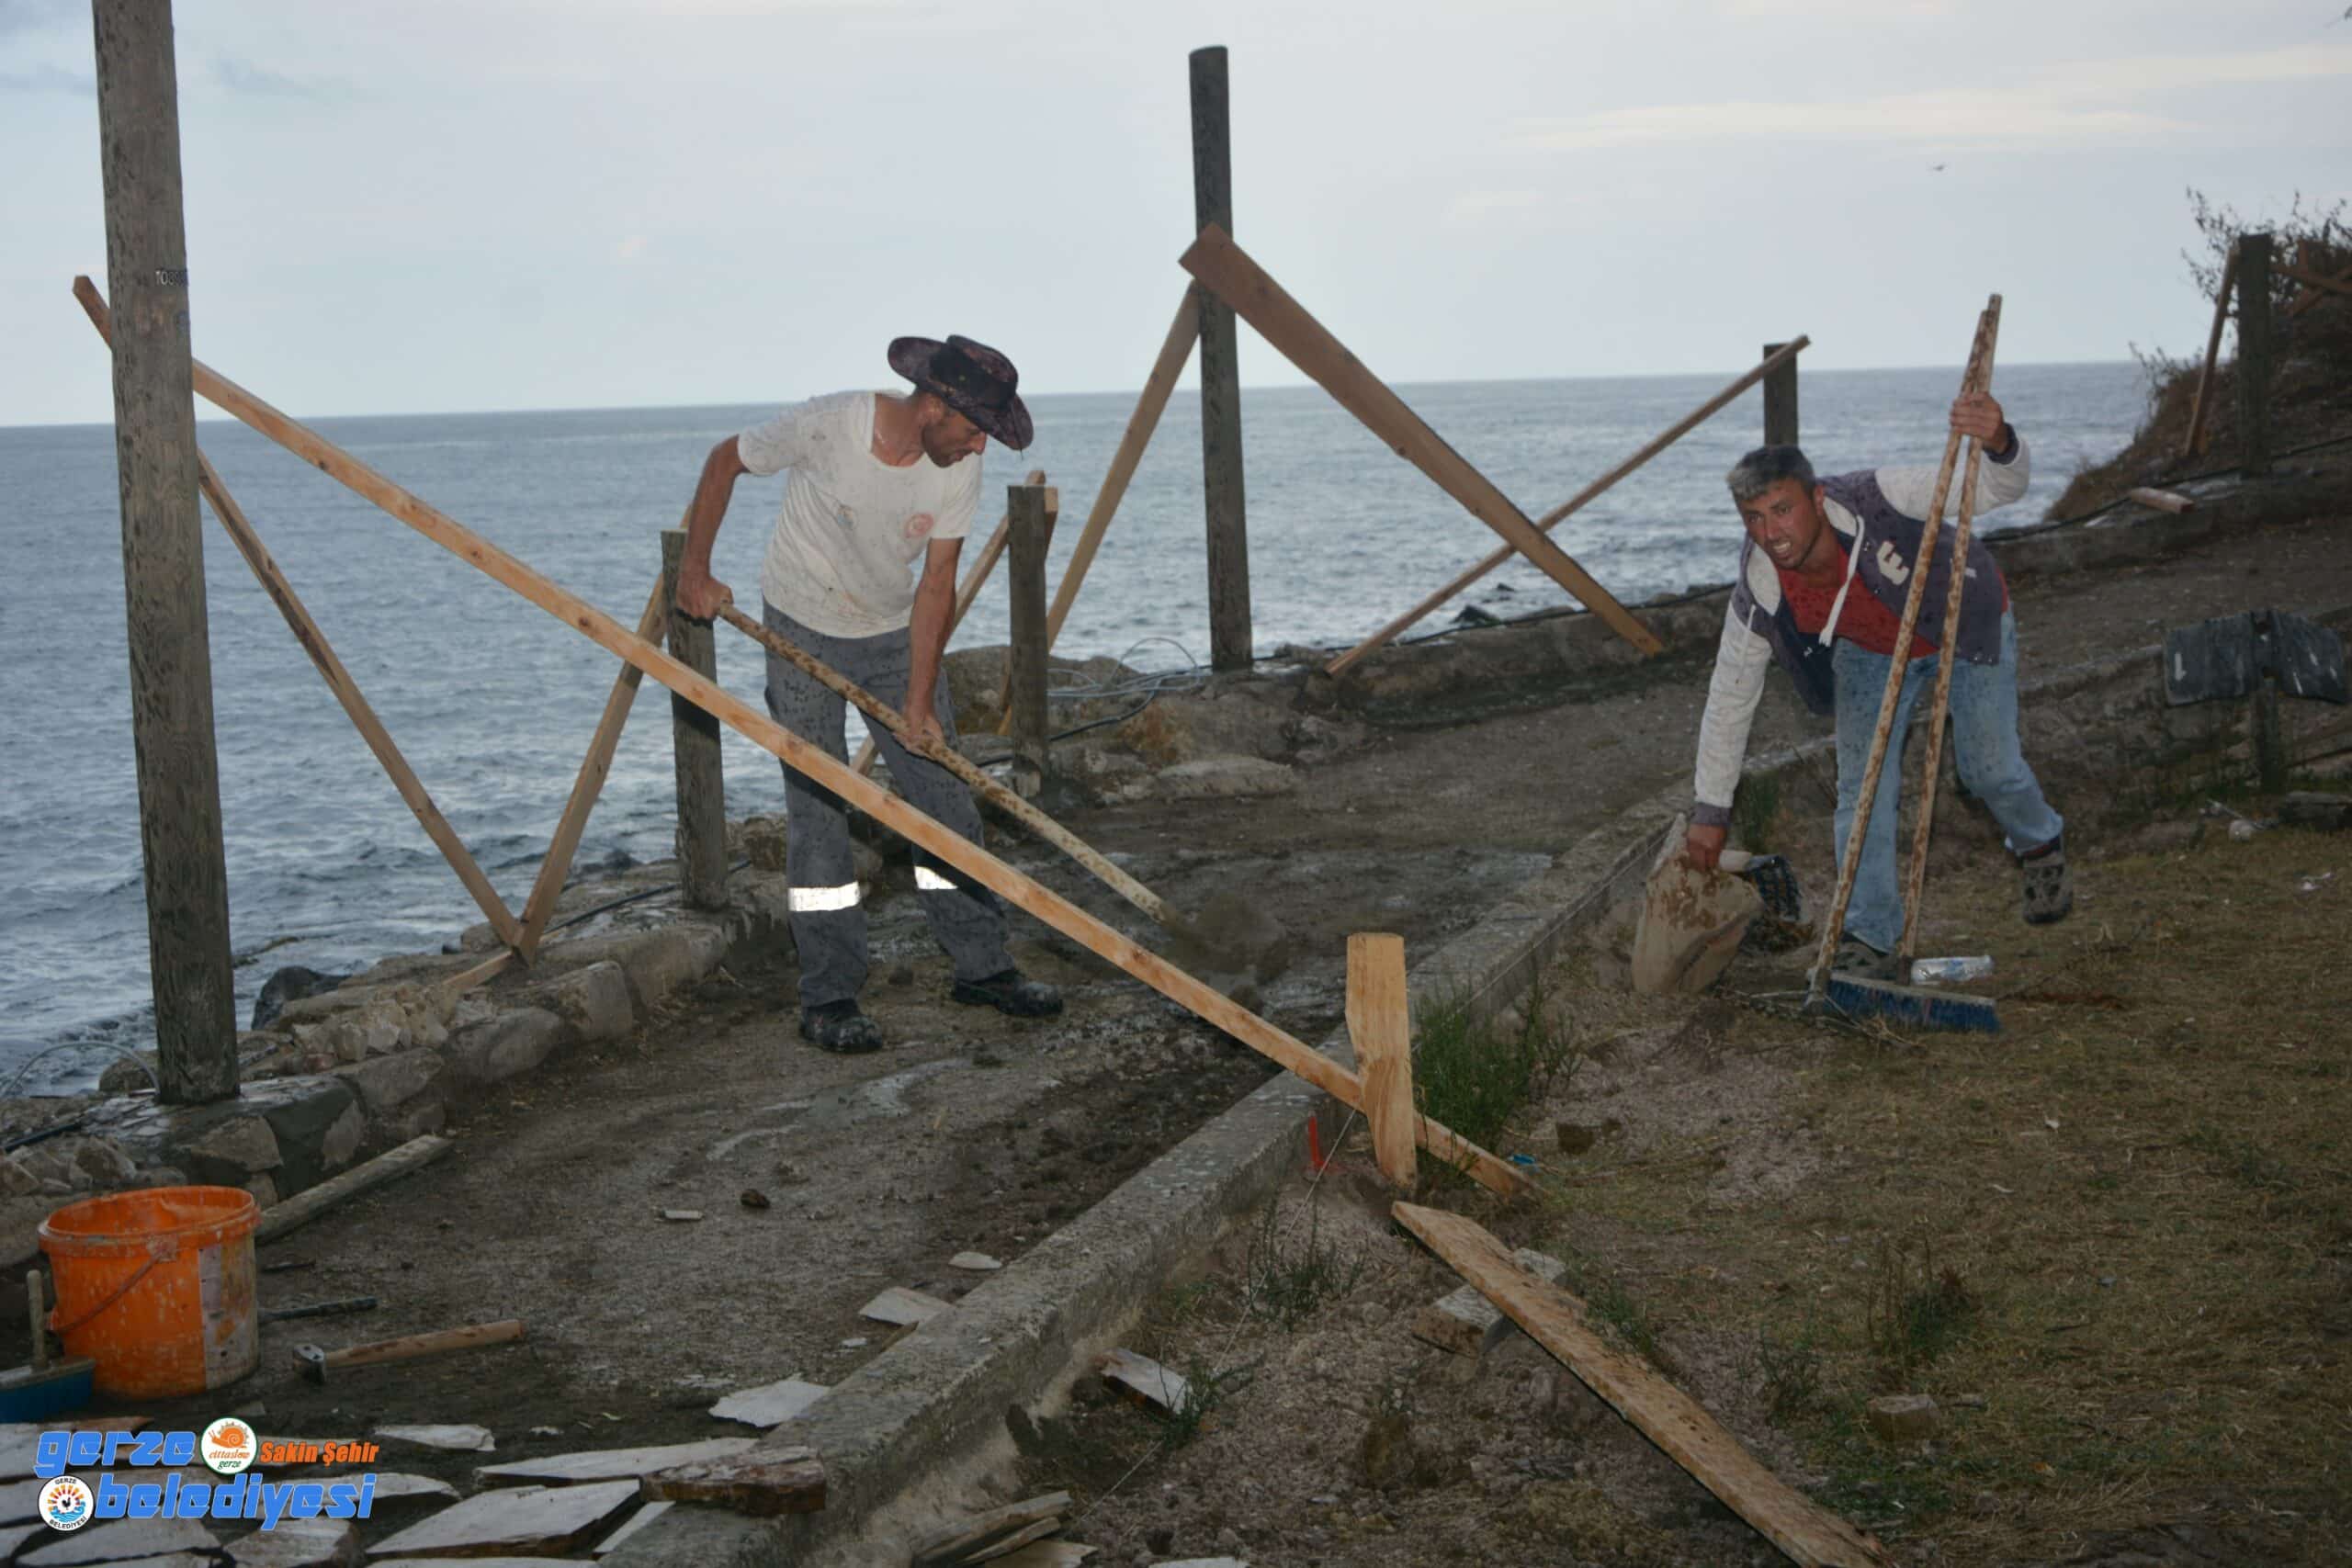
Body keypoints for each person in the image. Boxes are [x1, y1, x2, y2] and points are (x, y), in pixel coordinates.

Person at [673, 335, 1063, 1052]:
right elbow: (725, 459)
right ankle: (829, 996)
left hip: (890, 636)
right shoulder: (832, 425)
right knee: (820, 814)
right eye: (974, 428)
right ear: (935, 406)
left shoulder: (955, 469)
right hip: (802, 624)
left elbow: (936, 585)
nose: (980, 446)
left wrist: (918, 704)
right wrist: (695, 568)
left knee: (942, 798)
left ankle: (981, 965)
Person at [1683, 390, 2072, 977]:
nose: (1772, 533)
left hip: (1960, 617)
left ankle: (2040, 844)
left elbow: (1993, 490)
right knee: (1861, 792)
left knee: (1987, 768)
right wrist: (1710, 809)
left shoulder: (1880, 497)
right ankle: (1869, 938)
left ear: (1816, 497)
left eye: (1783, 510)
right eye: (1754, 519)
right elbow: (1730, 695)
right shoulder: (1761, 588)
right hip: (1869, 650)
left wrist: (1999, 442)